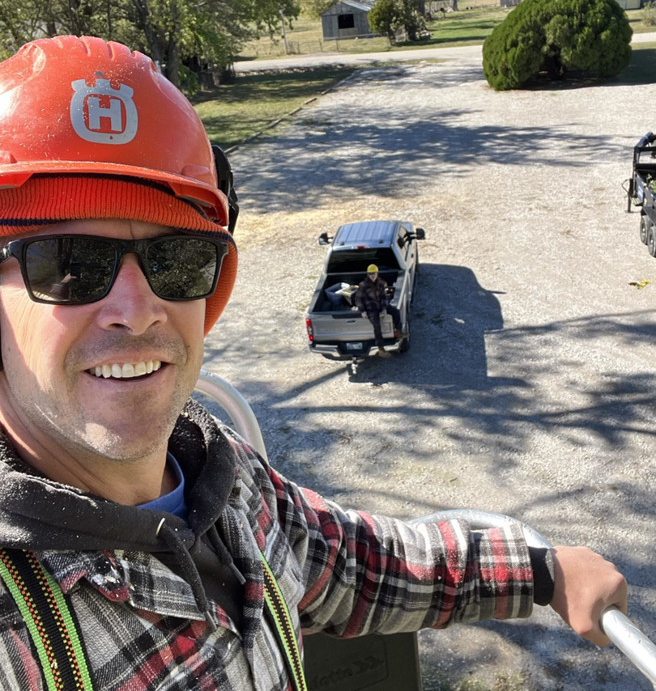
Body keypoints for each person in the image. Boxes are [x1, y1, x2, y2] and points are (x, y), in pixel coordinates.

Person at [0, 36, 627, 690]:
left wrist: (541, 571)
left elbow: (357, 567)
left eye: (176, 261)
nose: (138, 308)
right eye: (68, 265)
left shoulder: (227, 480)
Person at [354, 263, 404, 357]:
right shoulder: (363, 285)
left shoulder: (380, 283)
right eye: (371, 274)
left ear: (377, 274)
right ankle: (381, 349)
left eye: (374, 274)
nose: (373, 276)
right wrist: (362, 310)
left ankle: (399, 332)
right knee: (377, 326)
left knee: (395, 311)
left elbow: (384, 297)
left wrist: (384, 308)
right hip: (370, 308)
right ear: (368, 275)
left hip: (380, 305)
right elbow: (358, 299)